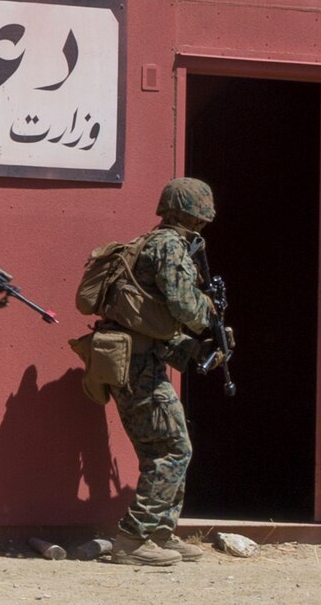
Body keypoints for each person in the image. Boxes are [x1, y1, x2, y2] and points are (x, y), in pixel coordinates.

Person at [98, 178, 217, 566]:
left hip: (140, 359)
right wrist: (209, 315)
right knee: (172, 449)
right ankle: (133, 538)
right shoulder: (168, 246)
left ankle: (160, 533)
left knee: (168, 446)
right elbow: (183, 304)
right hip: (138, 363)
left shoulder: (154, 242)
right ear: (192, 212)